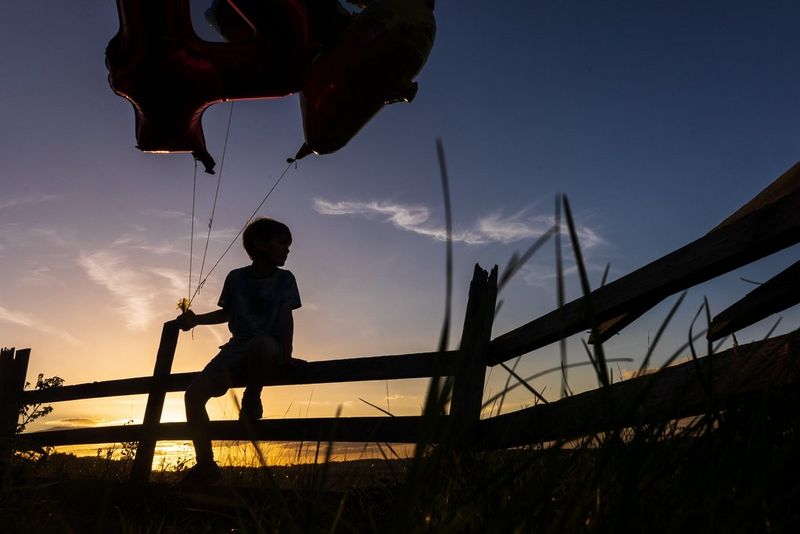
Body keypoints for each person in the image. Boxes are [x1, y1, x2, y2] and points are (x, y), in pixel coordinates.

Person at [176, 217, 302, 484]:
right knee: (193, 395)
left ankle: (252, 398)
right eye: (282, 243)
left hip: (269, 346)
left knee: (260, 344)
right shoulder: (236, 278)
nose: (287, 250)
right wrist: (196, 320)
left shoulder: (285, 279)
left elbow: (285, 318)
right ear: (260, 244)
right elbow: (228, 313)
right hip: (236, 349)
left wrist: (287, 355)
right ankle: (206, 464)